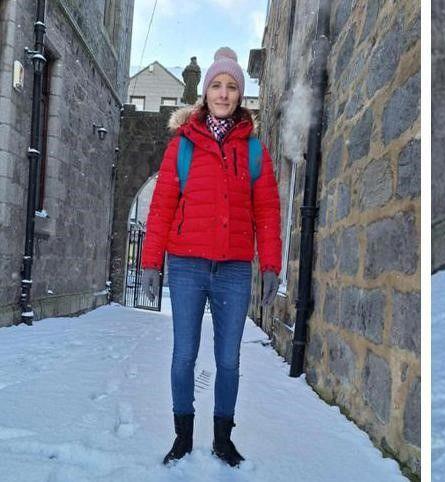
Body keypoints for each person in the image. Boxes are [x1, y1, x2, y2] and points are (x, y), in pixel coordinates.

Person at [138, 47, 282, 467]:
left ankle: (222, 439)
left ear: (240, 94)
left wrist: (271, 264)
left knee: (229, 360)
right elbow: (162, 204)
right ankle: (182, 437)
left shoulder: (254, 150)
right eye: (216, 85)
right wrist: (150, 261)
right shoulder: (182, 146)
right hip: (186, 267)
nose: (223, 93)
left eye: (231, 86)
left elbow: (268, 211)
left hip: (234, 270)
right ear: (205, 93)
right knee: (184, 354)